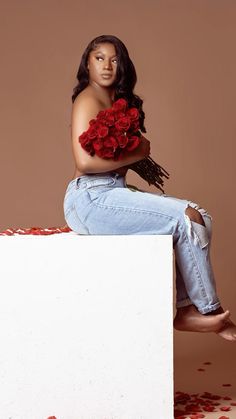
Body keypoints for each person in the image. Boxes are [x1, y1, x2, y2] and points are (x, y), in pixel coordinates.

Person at [63, 34, 236, 342]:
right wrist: (138, 152)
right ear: (87, 64)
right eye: (99, 58)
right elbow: (85, 162)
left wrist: (131, 151)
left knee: (200, 217)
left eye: (114, 60)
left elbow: (116, 160)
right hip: (89, 197)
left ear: (122, 65)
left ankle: (186, 310)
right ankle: (208, 312)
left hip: (111, 191)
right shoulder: (86, 99)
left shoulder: (116, 101)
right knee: (186, 218)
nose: (107, 66)